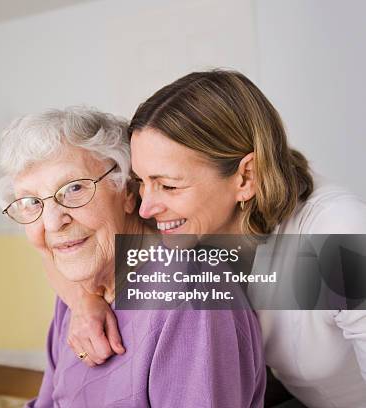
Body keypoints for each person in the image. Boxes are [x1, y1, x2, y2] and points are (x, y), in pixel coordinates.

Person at [58, 70, 366, 408]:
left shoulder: (337, 234)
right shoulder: (188, 224)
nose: (145, 207)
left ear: (246, 176)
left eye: (170, 185)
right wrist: (85, 299)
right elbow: (58, 242)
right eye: (141, 182)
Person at [0, 107, 265, 407]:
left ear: (126, 190)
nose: (52, 223)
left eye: (73, 188)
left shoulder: (190, 297)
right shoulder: (81, 288)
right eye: (31, 202)